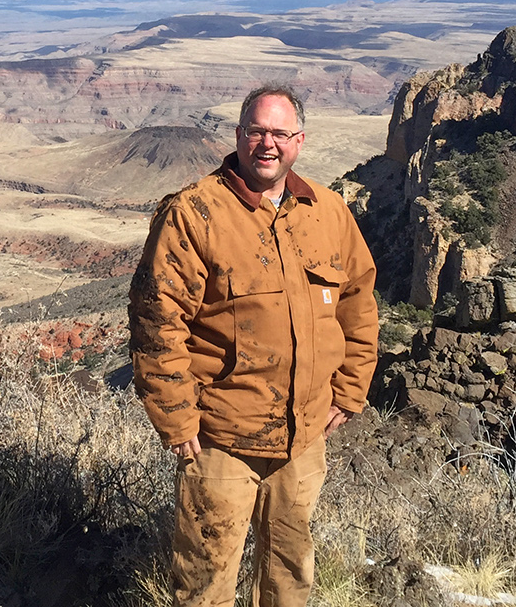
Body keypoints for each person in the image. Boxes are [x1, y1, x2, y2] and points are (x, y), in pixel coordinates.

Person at [129, 85, 379, 607]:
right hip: (220, 439)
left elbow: (358, 302)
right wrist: (176, 419)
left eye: (280, 134)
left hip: (303, 438)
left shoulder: (328, 211)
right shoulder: (195, 214)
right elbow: (158, 322)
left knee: (290, 577)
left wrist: (351, 390)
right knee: (205, 582)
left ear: (300, 141)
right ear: (239, 136)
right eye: (257, 131)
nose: (269, 144)